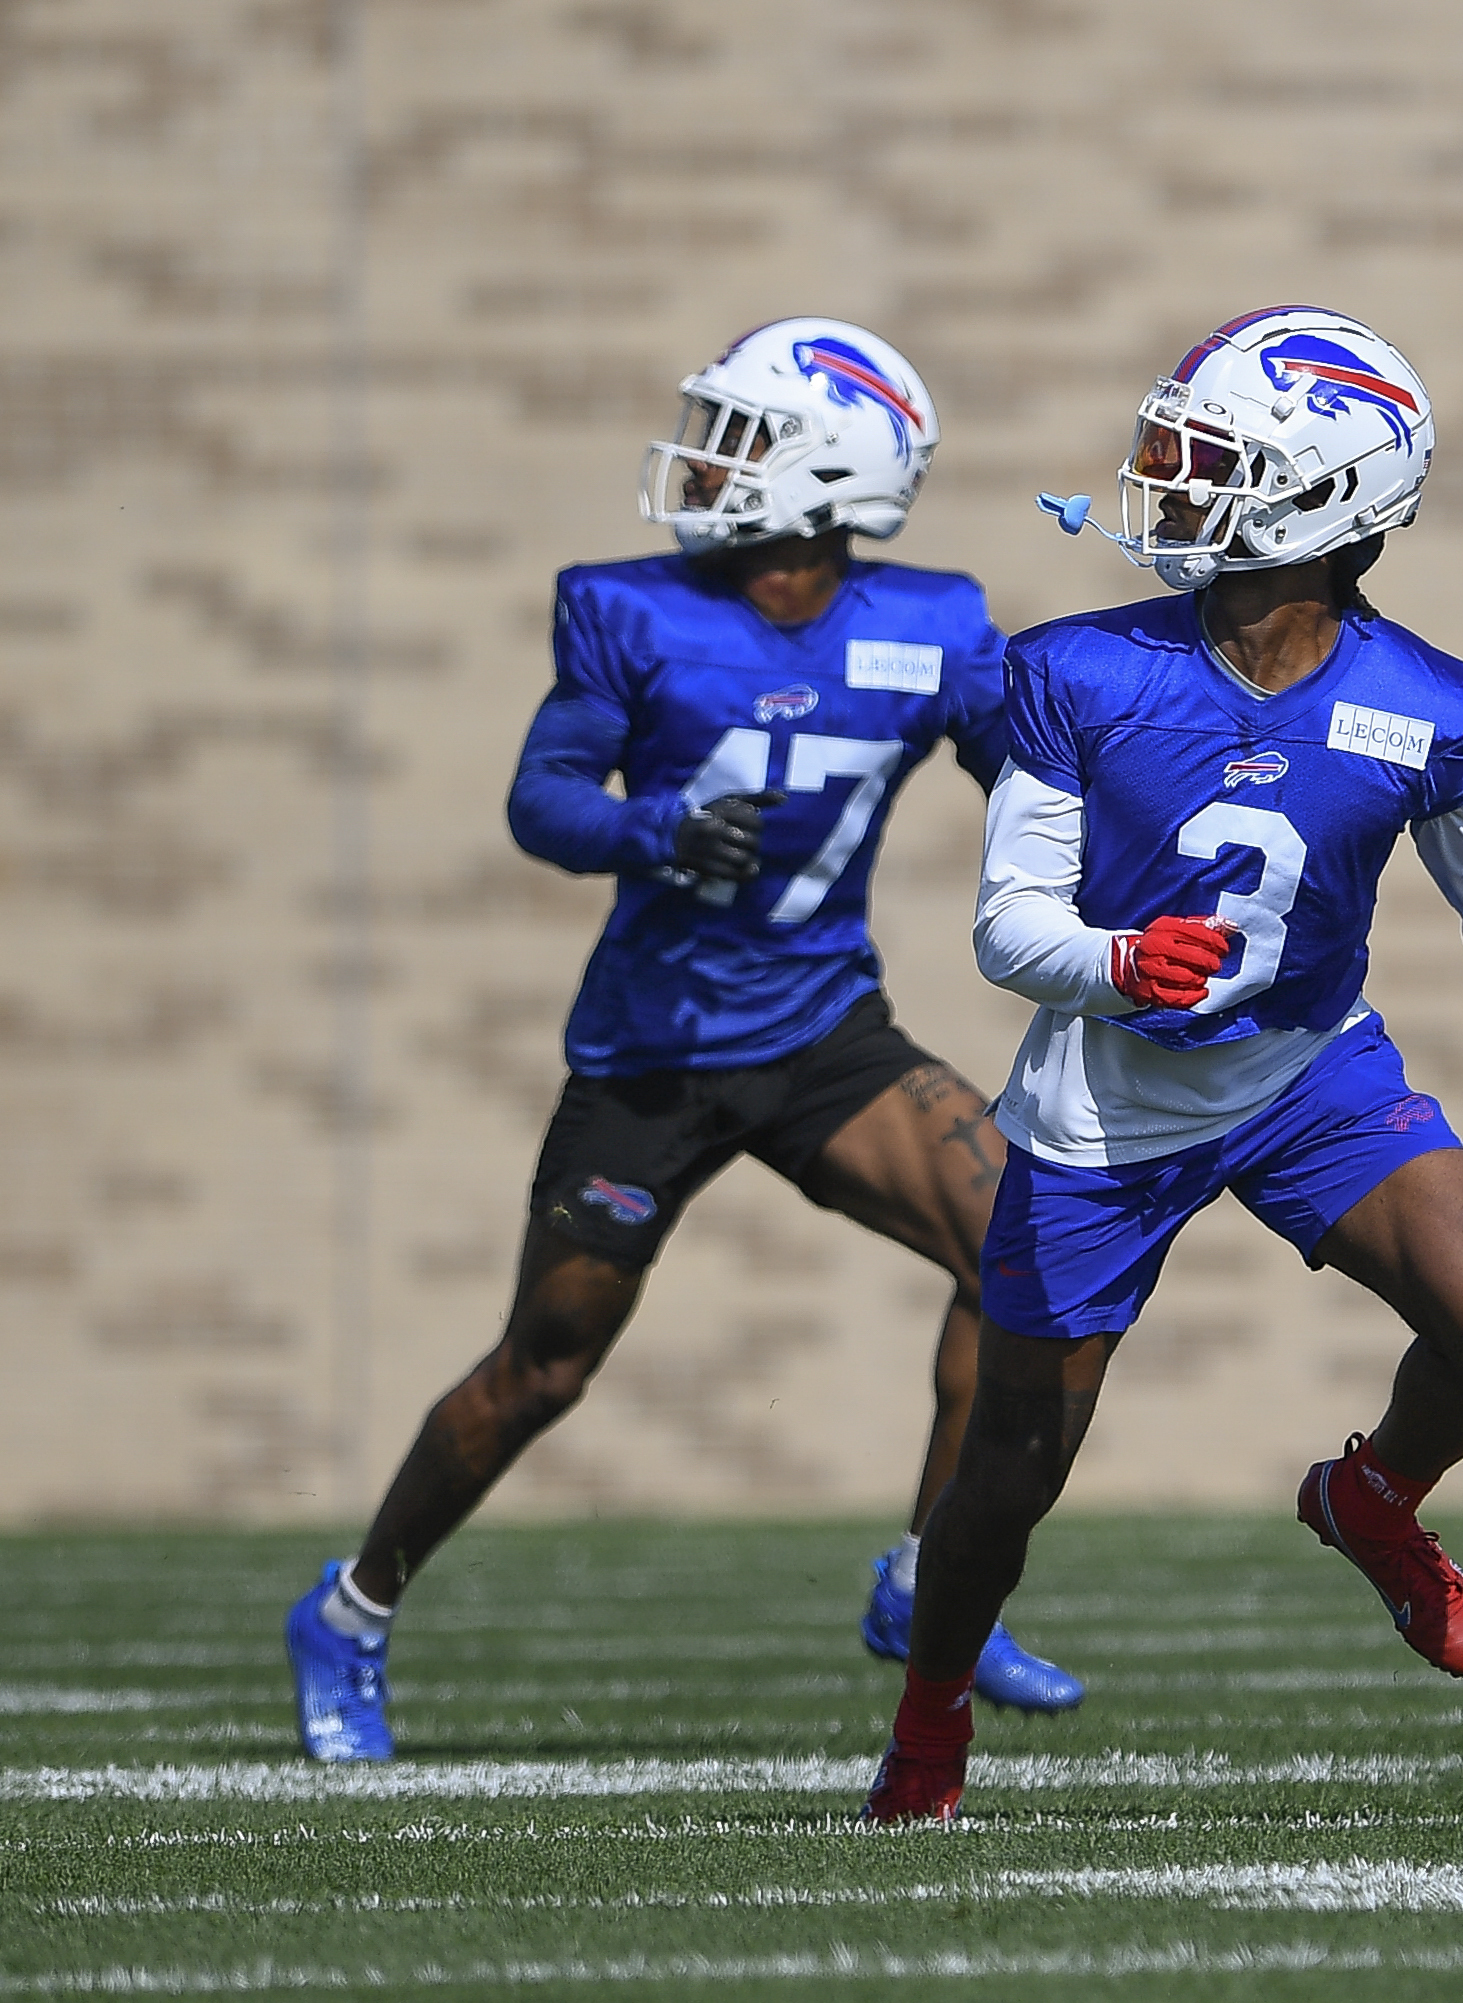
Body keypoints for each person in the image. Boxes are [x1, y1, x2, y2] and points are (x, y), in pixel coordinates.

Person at [283, 319, 1082, 1763]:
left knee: (1024, 1252)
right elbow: (543, 799)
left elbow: (1035, 769)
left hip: (826, 1029)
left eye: (742, 435)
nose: (706, 458)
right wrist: (648, 825)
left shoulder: (938, 621)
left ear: (830, 468)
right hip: (651, 1053)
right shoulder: (629, 609)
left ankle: (922, 1582)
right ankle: (349, 1609)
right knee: (545, 1366)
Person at [860, 305, 1463, 1824]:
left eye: (1212, 459)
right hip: (1104, 1105)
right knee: (1010, 1469)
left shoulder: (1426, 704)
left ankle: (1369, 1494)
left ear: (1327, 504)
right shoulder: (1080, 673)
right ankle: (929, 1719)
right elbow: (1010, 929)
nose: (1168, 479)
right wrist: (1119, 962)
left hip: (1301, 1074)